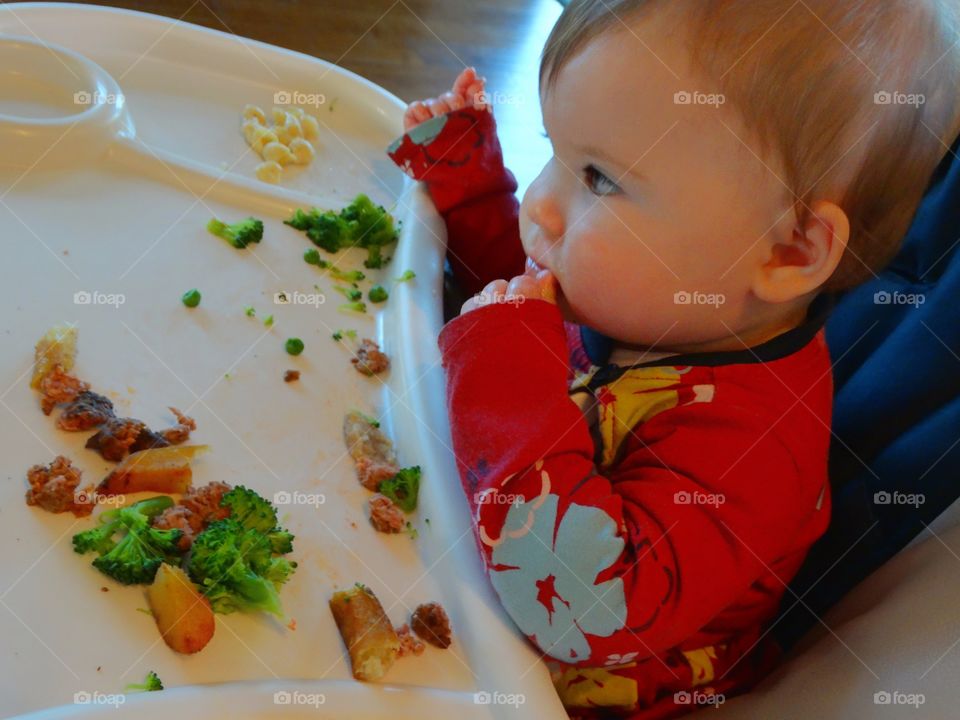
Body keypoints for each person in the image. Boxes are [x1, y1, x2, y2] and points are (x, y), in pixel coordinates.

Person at [385, 1, 960, 716]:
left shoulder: (754, 450)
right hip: (466, 575)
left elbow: (579, 602)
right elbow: (528, 301)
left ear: (790, 251)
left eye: (598, 178)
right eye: (551, 148)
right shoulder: (655, 297)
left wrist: (502, 370)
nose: (541, 205)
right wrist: (473, 194)